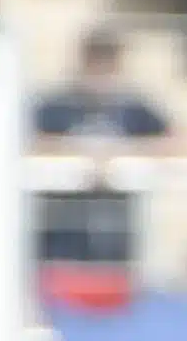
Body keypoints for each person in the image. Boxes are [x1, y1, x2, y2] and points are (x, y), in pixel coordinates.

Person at [32, 27, 177, 290]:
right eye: (96, 60)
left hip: (114, 237)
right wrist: (78, 153)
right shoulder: (57, 105)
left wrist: (123, 153)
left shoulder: (133, 108)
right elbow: (27, 142)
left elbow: (176, 143)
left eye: (108, 61)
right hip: (62, 236)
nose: (101, 70)